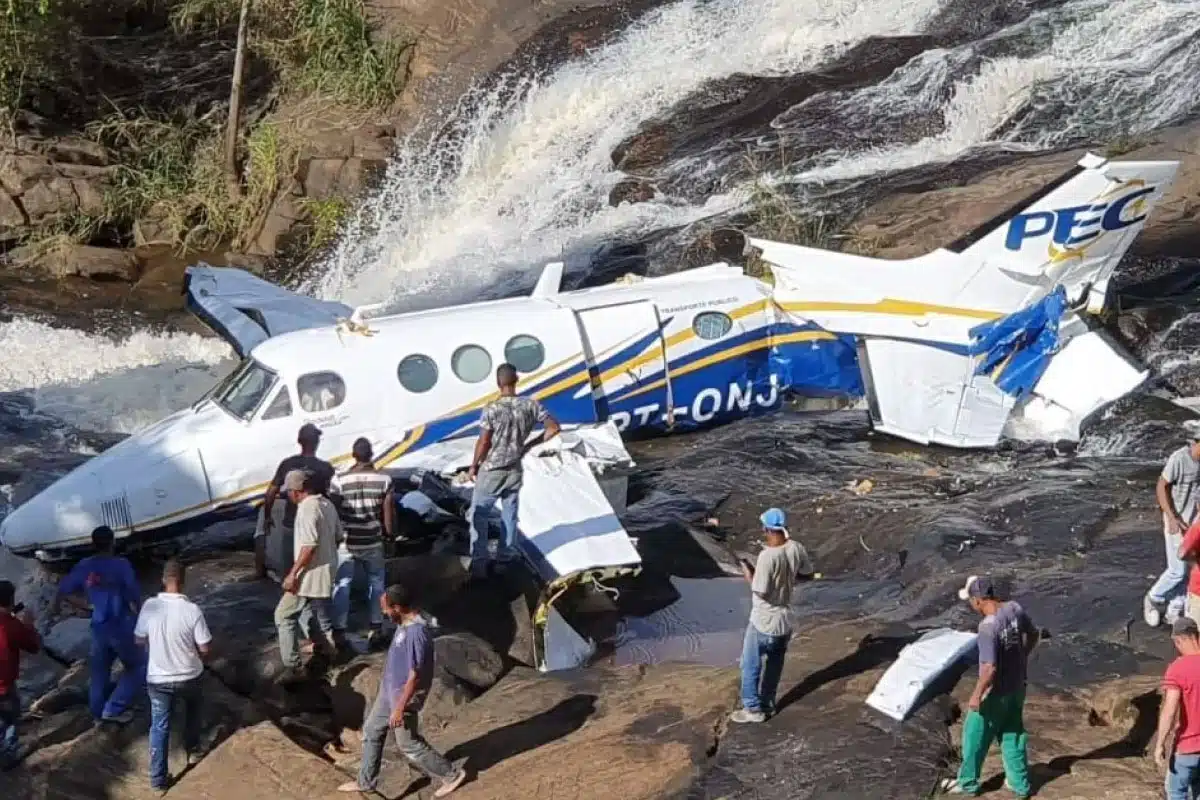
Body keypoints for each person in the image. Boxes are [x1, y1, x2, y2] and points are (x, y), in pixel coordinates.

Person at [337, 584, 467, 797]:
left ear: (397, 607)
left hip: (403, 698)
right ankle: (366, 781)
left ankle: (451, 774)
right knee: (371, 731)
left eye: (386, 608)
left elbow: (415, 676)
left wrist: (399, 708)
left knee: (408, 743)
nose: (384, 613)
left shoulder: (416, 633)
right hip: (388, 693)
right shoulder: (403, 624)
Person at [940, 576, 1039, 798]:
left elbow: (990, 668)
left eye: (970, 600)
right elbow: (1033, 634)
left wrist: (976, 695)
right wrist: (1022, 656)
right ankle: (1019, 784)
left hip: (995, 692)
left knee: (974, 736)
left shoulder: (987, 627)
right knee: (1012, 734)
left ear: (977, 600)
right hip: (1017, 686)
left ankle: (968, 783)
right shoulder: (1014, 609)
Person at [466, 363, 560, 578]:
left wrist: (473, 466)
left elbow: (484, 441)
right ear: (516, 380)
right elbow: (554, 427)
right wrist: (529, 445)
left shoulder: (492, 408)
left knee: (478, 514)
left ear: (499, 383)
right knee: (509, 514)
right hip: (515, 468)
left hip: (492, 469)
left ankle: (479, 563)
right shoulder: (531, 405)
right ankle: (505, 558)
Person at [51, 525, 145, 724]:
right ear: (113, 542)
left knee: (99, 671)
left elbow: (63, 591)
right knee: (138, 666)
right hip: (121, 625)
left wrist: (86, 607)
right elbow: (135, 596)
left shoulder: (84, 566)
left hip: (98, 626)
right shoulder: (121, 565)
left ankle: (97, 713)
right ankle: (114, 708)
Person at [134, 559, 212, 794]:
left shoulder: (149, 606)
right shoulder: (192, 610)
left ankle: (158, 781)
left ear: (162, 579)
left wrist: (154, 644)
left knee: (159, 726)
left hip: (158, 680)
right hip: (189, 675)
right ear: (183, 581)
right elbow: (206, 647)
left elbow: (138, 640)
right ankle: (193, 750)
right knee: (194, 710)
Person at [730, 508, 813, 724]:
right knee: (775, 665)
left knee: (750, 665)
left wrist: (748, 570)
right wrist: (787, 582)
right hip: (785, 620)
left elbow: (760, 590)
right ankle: (768, 703)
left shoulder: (767, 556)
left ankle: (753, 709)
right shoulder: (796, 548)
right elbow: (807, 575)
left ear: (767, 529)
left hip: (763, 620)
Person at [329, 437, 395, 651]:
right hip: (372, 540)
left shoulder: (339, 481)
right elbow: (387, 513)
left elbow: (335, 512)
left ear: (354, 455)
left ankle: (338, 630)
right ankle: (376, 627)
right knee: (376, 583)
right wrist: (390, 536)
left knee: (342, 584)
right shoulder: (385, 480)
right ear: (372, 454)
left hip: (347, 542)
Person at [275, 469, 341, 682]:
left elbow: (309, 546)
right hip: (326, 569)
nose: (288, 495)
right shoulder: (327, 504)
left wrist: (293, 574)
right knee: (308, 613)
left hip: (308, 574)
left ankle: (293, 667)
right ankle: (326, 649)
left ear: (296, 491)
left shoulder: (306, 508)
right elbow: (338, 536)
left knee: (283, 615)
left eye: (289, 492)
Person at [257, 423, 335, 580]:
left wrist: (267, 517)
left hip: (291, 523)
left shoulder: (287, 464)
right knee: (314, 568)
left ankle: (289, 590)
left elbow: (271, 492)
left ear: (300, 441)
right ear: (317, 443)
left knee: (289, 566)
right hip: (314, 524)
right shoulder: (325, 468)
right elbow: (329, 497)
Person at [1147, 439, 1200, 628]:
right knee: (1177, 570)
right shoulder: (1180, 458)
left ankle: (1174, 609)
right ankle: (1154, 599)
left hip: (1192, 524)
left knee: (1190, 570)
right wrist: (1171, 517)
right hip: (1176, 521)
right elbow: (1162, 486)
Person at [1155, 616, 1200, 800]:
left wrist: (1160, 744)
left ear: (1179, 640)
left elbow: (1170, 710)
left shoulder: (1177, 668)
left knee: (1176, 792)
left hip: (1187, 748)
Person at [0, 580, 41, 769]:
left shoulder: (9, 622)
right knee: (10, 719)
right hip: (4, 686)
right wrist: (29, 625)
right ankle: (9, 754)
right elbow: (34, 646)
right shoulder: (12, 626)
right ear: (10, 599)